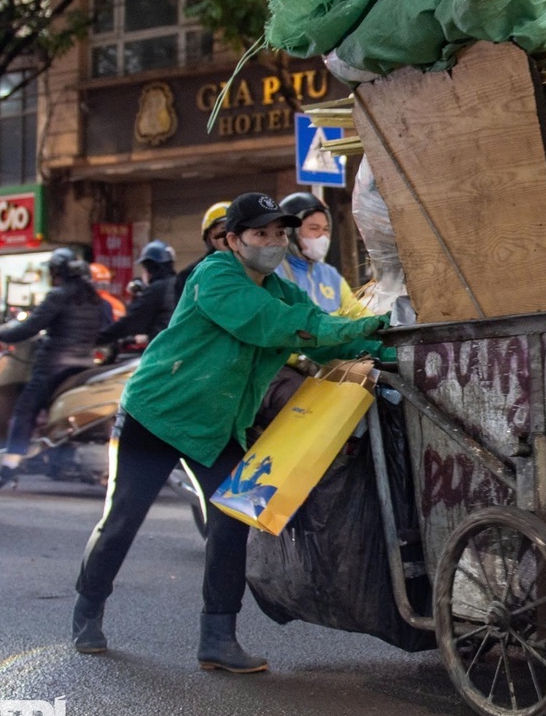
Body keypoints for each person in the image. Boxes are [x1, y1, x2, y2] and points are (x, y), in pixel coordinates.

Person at [70, 192, 393, 671]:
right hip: (158, 414)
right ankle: (87, 608)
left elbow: (318, 346)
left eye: (279, 234)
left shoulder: (281, 289)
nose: (273, 242)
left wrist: (383, 346)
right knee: (122, 519)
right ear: (233, 240)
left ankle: (217, 638)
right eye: (260, 233)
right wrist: (358, 326)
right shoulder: (215, 276)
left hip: (218, 425)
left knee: (231, 520)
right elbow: (273, 326)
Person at [0, 248, 113, 489]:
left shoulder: (58, 295)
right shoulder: (95, 299)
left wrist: (2, 333)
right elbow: (105, 330)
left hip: (54, 364)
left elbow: (30, 326)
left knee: (24, 410)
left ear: (57, 272)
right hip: (84, 364)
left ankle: (9, 467)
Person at [275, 192, 373, 317]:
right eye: (314, 228)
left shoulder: (330, 275)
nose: (322, 236)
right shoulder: (274, 274)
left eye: (326, 229)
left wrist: (380, 324)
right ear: (288, 232)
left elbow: (358, 313)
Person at [98, 241, 176, 347]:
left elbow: (131, 321)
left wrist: (99, 338)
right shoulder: (179, 284)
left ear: (150, 267)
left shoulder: (157, 289)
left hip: (163, 350)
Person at [175, 201, 231, 302]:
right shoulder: (190, 275)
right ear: (210, 235)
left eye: (235, 229)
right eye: (223, 228)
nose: (230, 236)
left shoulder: (252, 269)